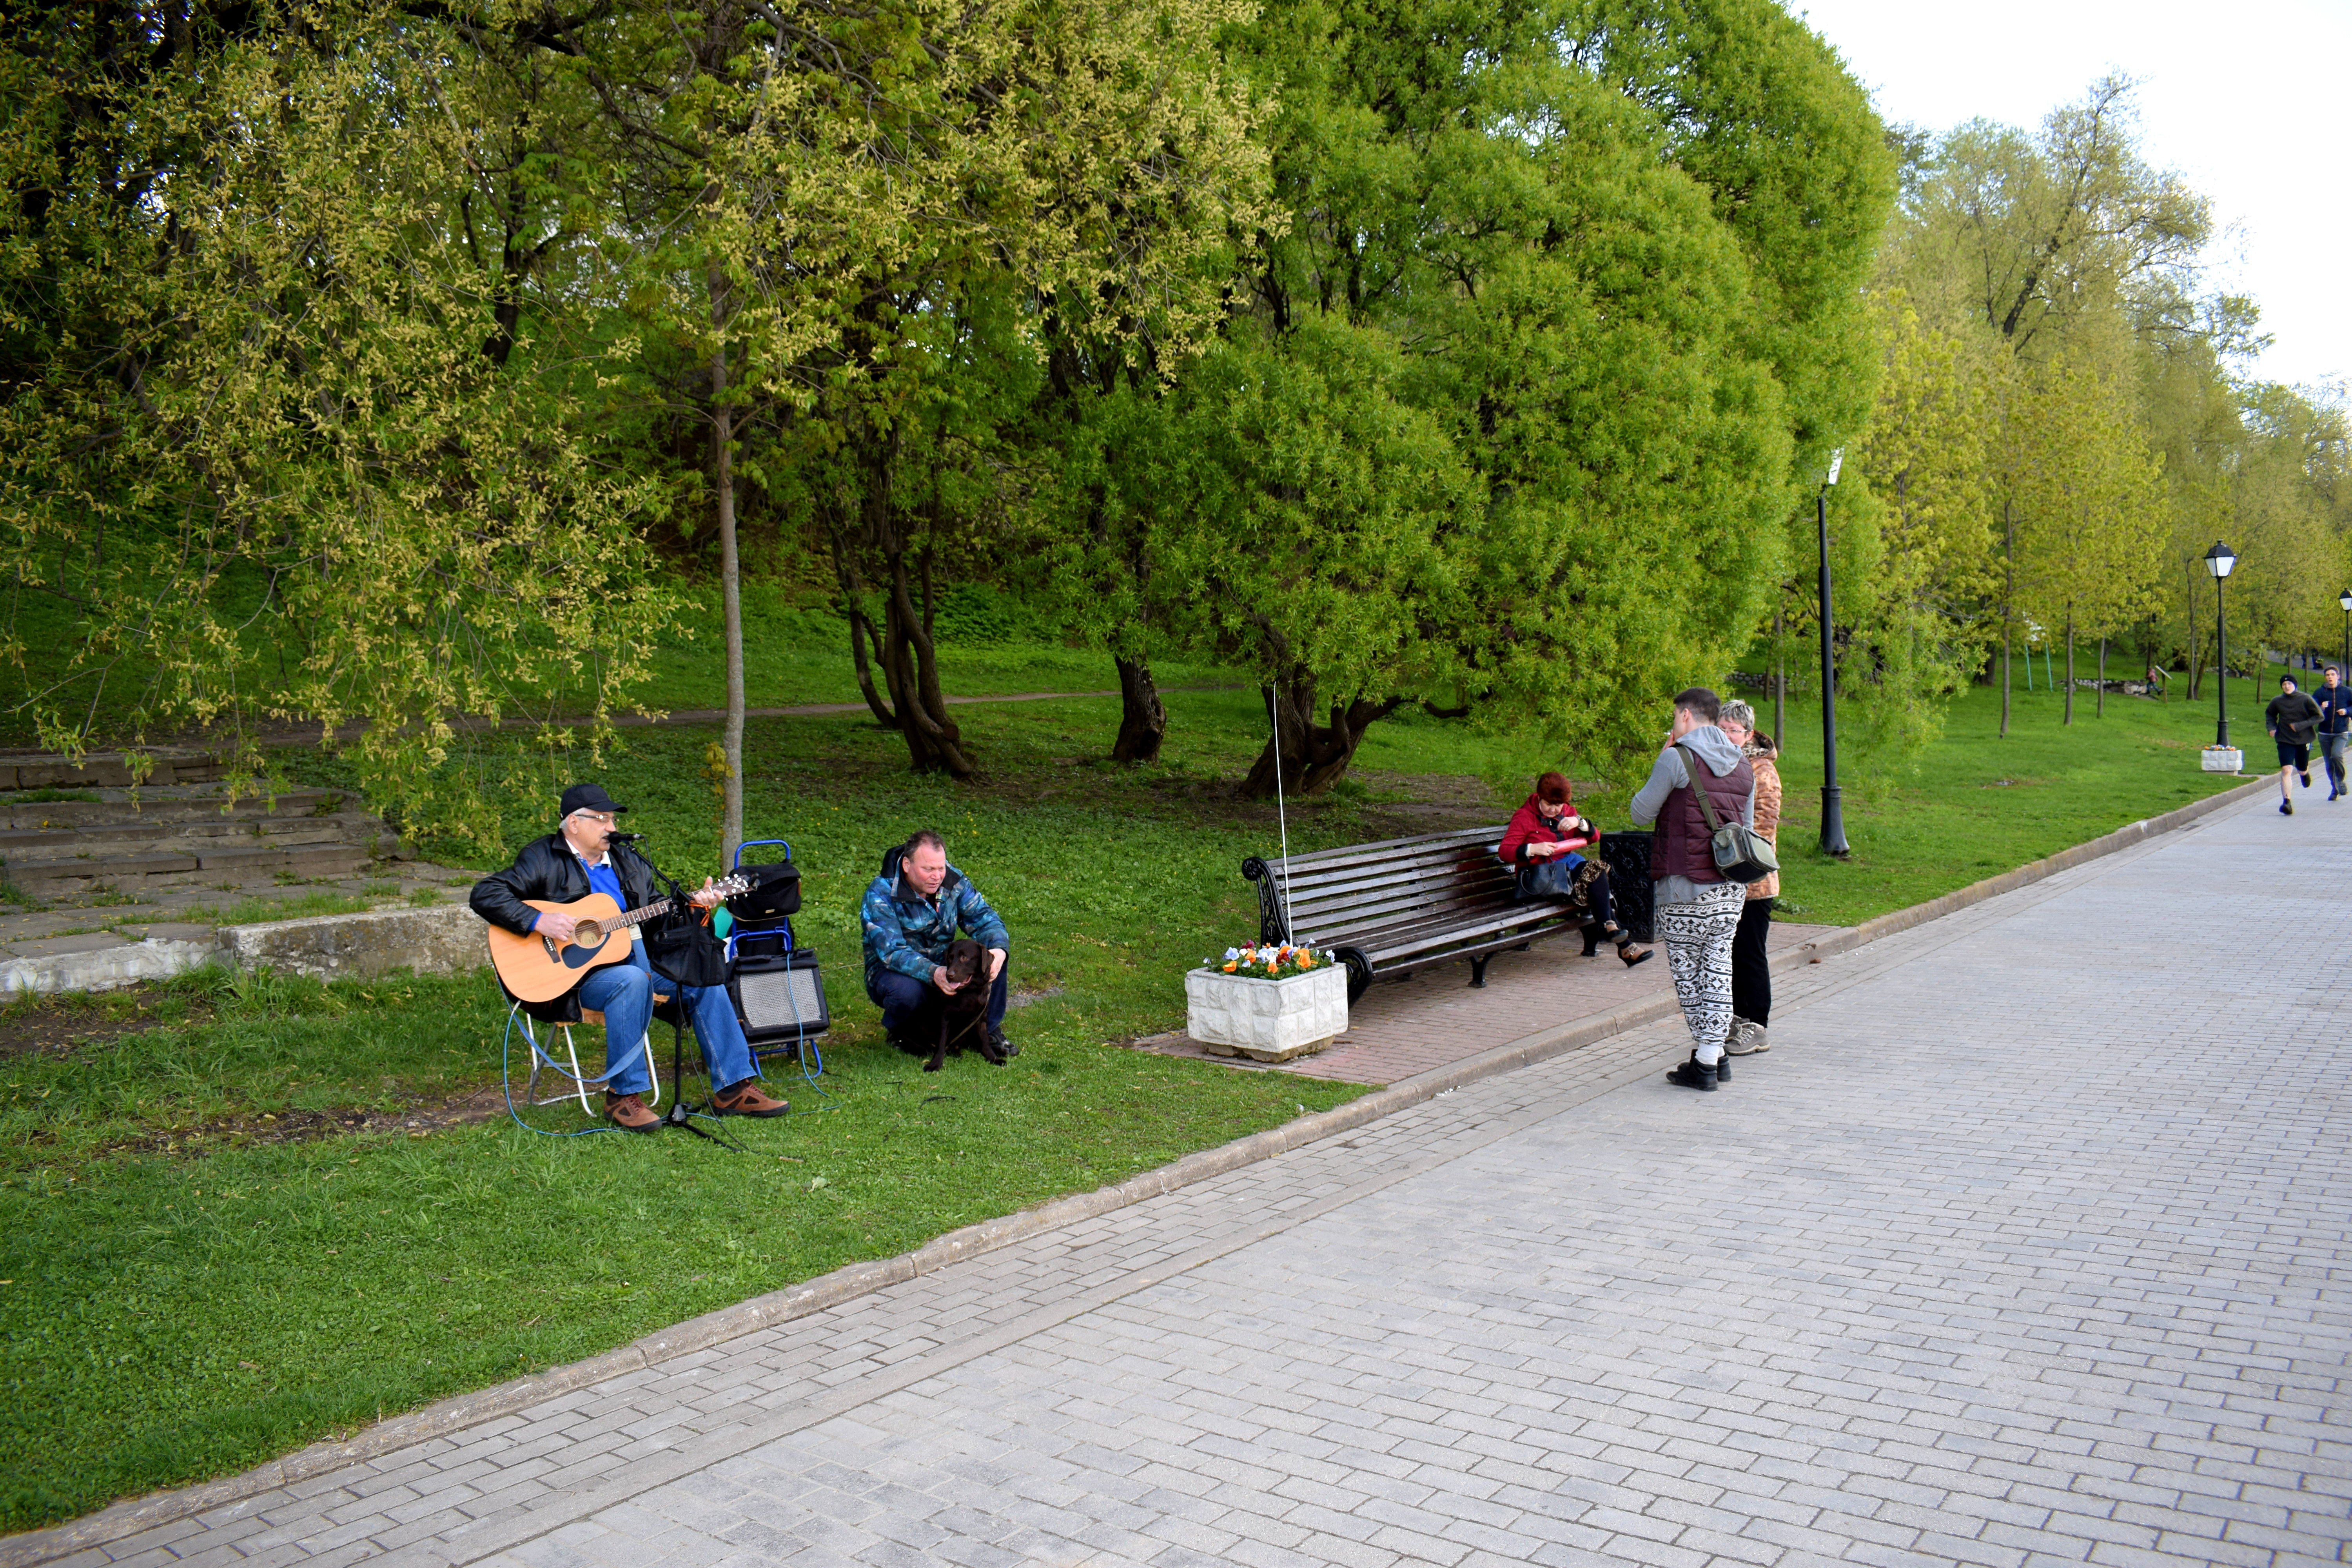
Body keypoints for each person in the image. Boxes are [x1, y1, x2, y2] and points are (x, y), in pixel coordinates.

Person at [471, 784, 788, 1131]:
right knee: (632, 981)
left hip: (638, 961)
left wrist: (695, 906)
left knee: (703, 978)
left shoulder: (629, 862)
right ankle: (622, 1097)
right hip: (576, 980)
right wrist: (539, 920)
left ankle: (733, 1088)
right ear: (573, 824)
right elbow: (485, 893)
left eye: (613, 819)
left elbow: (658, 920)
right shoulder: (542, 858)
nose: (612, 827)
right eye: (602, 819)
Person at [1629, 686, 1754, 1093]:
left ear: (1685, 716)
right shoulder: (1743, 765)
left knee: (1689, 973)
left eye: (1674, 718)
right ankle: (1715, 1056)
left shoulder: (1676, 758)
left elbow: (1640, 812)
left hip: (1685, 885)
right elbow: (1747, 832)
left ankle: (1704, 1062)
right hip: (1730, 889)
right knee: (1718, 968)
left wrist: (1664, 754)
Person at [862, 830, 1015, 1058]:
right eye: (928, 869)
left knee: (990, 961)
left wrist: (999, 950)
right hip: (892, 972)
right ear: (906, 865)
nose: (937, 876)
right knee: (907, 993)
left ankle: (987, 1030)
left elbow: (985, 918)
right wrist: (934, 972)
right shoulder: (881, 893)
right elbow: (891, 952)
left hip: (946, 962)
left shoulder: (953, 880)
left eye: (941, 868)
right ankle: (900, 1030)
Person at [1496, 772, 1651, 966]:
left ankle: (1614, 933)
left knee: (1596, 870)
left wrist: (1580, 822)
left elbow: (1595, 838)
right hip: (1541, 878)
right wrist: (1532, 849)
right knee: (1595, 875)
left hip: (1566, 871)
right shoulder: (1524, 817)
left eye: (1558, 806)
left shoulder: (1568, 812)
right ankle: (1618, 937)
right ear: (1539, 797)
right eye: (1548, 805)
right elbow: (1505, 852)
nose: (1553, 810)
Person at [1717, 700, 1779, 1055]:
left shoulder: (1761, 771)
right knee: (1731, 953)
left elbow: (1762, 829)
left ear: (1749, 734)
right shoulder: (1722, 763)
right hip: (1725, 880)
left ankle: (1757, 1025)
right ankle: (1736, 1019)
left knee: (1750, 953)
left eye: (1734, 731)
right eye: (1722, 729)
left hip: (1753, 882)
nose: (1727, 736)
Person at [2265, 675, 2324, 816]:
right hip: (2285, 739)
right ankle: (2287, 803)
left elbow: (2319, 716)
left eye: (2290, 684)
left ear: (2295, 685)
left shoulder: (2305, 699)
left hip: (2303, 739)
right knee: (2287, 770)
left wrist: (2299, 726)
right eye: (2284, 684)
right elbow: (2270, 715)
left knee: (2301, 769)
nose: (2287, 686)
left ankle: (2305, 773)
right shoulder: (2277, 701)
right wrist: (2272, 728)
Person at [2314, 666, 2352, 801]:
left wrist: (2347, 711)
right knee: (2329, 763)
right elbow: (2311, 710)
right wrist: (2321, 707)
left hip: (2341, 732)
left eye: (2332, 675)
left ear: (2338, 676)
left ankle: (2341, 780)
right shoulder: (2320, 693)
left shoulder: (2347, 692)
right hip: (2324, 734)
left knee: (2336, 756)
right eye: (2327, 675)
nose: (2330, 677)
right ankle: (2335, 788)